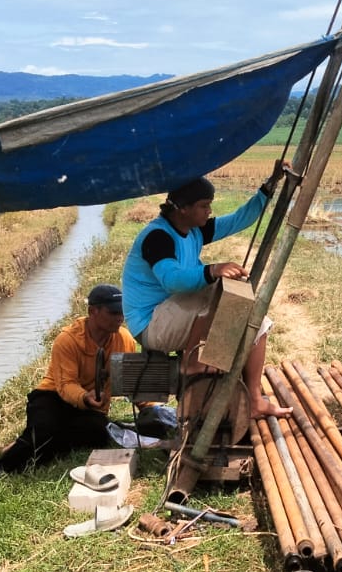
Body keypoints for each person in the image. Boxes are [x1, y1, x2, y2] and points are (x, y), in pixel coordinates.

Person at [121, 161, 291, 420]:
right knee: (220, 289)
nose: (209, 211)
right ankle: (194, 363)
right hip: (152, 324)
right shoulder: (158, 237)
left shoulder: (194, 230)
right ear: (182, 208)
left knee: (253, 319)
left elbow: (238, 219)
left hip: (177, 313)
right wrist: (211, 270)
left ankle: (254, 399)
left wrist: (269, 186)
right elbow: (172, 280)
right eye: (204, 205)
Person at [0, 284, 138, 475]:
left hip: (92, 406)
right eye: (113, 312)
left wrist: (149, 409)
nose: (120, 318)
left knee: (99, 434)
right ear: (92, 311)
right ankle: (1, 469)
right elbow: (65, 385)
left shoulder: (125, 339)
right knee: (43, 432)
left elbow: (130, 380)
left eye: (123, 312)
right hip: (53, 397)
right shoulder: (67, 339)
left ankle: (34, 441)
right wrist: (85, 397)